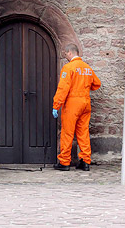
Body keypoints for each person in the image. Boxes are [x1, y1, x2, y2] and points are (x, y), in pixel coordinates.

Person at [52, 43, 101, 171]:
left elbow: (63, 89)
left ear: (69, 52)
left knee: (67, 133)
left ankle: (64, 162)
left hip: (72, 103)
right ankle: (85, 161)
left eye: (66, 54)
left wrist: (56, 105)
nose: (66, 57)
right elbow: (97, 84)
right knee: (83, 133)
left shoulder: (68, 68)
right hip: (85, 103)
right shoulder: (87, 68)